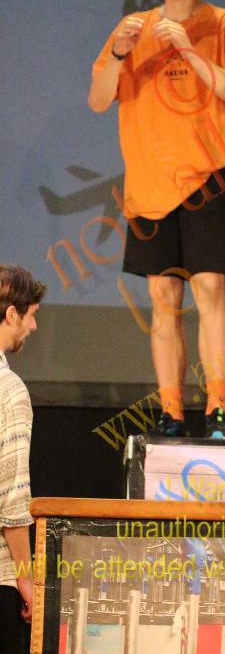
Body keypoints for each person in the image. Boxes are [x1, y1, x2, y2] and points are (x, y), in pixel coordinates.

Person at [88, 0, 225, 439]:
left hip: (209, 176)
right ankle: (172, 413)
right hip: (150, 184)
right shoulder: (133, 27)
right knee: (164, 299)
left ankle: (218, 410)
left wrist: (189, 50)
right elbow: (98, 99)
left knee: (209, 288)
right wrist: (118, 55)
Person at [0, 265, 46, 654]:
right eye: (30, 315)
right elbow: (13, 499)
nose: (33, 326)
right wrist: (27, 578)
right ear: (11, 313)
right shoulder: (10, 391)